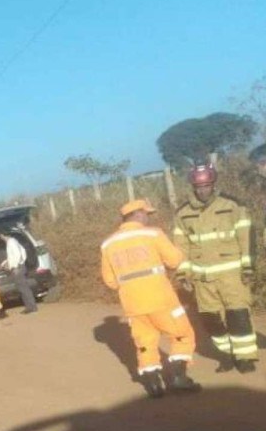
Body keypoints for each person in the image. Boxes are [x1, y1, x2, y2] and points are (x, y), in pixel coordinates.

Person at [101, 199, 200, 398]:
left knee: (145, 341)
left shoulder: (108, 244)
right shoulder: (153, 234)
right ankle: (179, 378)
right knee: (182, 334)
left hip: (132, 302)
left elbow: (110, 281)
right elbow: (174, 260)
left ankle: (153, 384)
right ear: (138, 214)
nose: (148, 217)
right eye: (147, 213)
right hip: (160, 298)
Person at [172, 164, 257, 373]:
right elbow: (180, 246)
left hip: (232, 275)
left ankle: (244, 358)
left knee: (238, 315)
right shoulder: (183, 214)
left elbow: (246, 237)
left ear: (213, 184)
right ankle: (226, 355)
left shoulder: (232, 206)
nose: (203, 190)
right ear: (193, 187)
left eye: (207, 185)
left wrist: (248, 267)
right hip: (202, 278)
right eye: (198, 187)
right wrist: (183, 273)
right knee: (210, 320)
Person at [1, 231, 38, 314]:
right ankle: (29, 306)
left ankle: (32, 307)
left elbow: (18, 255)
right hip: (19, 267)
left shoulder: (11, 243)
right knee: (22, 288)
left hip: (18, 268)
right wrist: (6, 263)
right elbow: (22, 252)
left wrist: (17, 266)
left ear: (2, 235)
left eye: (1, 236)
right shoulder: (12, 241)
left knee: (24, 288)